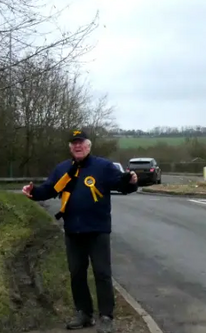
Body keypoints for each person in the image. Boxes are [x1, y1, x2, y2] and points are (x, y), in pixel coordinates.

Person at [21, 129, 138, 332]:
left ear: (88, 146)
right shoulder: (62, 169)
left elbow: (121, 184)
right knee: (76, 273)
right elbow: (49, 189)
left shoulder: (103, 167)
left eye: (81, 142)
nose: (77, 146)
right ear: (70, 147)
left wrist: (131, 181)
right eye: (74, 143)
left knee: (102, 273)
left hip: (98, 230)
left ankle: (106, 317)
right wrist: (33, 193)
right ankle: (84, 314)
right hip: (73, 231)